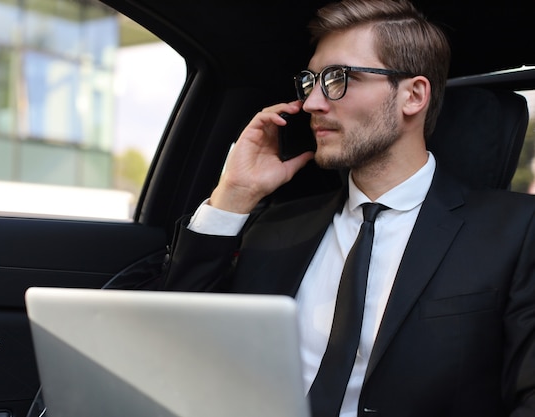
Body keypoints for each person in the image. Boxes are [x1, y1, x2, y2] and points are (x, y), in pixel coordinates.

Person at [161, 0, 535, 416]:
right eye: (311, 81)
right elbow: (176, 342)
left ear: (413, 95)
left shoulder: (516, 230)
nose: (312, 104)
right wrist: (233, 195)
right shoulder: (278, 226)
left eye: (339, 79)